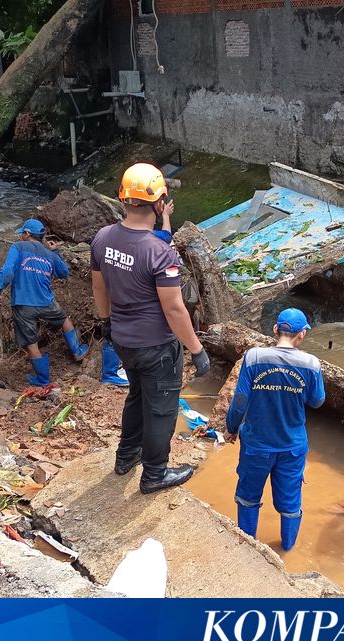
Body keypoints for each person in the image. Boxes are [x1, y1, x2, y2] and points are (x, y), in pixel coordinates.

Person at [91, 162, 212, 494]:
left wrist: (106, 323)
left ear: (124, 199)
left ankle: (126, 455)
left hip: (123, 341)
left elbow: (99, 288)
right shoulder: (159, 252)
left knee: (137, 396)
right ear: (159, 203)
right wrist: (197, 351)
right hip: (156, 346)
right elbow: (174, 309)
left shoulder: (103, 238)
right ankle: (155, 474)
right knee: (161, 410)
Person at [224, 308, 325, 551]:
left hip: (256, 444)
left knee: (248, 496)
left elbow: (240, 400)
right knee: (290, 501)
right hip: (292, 445)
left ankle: (248, 549)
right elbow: (317, 401)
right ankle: (287, 549)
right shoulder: (311, 364)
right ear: (301, 335)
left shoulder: (254, 357)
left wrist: (231, 428)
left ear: (275, 329)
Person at [0, 219, 88, 385]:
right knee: (64, 320)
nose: (21, 235)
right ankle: (77, 351)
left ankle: (43, 379)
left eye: (22, 232)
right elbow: (64, 273)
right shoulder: (48, 254)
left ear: (27, 234)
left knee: (30, 341)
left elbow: (7, 271)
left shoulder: (18, 247)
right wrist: (55, 252)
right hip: (46, 301)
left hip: (23, 303)